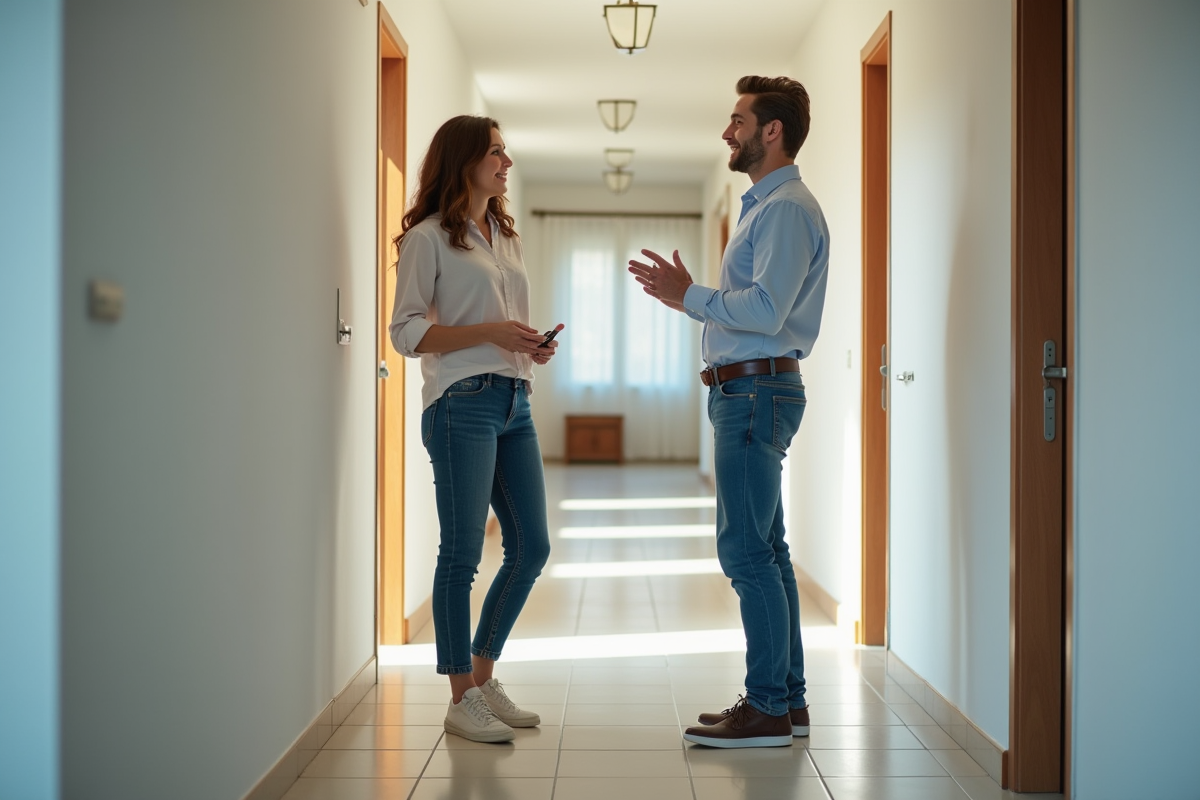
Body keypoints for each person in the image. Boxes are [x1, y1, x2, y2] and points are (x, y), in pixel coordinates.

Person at [628, 76, 829, 748]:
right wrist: (690, 299)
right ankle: (786, 702)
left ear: (771, 131)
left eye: (737, 119)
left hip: (754, 394)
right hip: (748, 390)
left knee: (746, 552)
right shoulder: (764, 208)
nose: (727, 131)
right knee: (767, 551)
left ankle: (768, 706)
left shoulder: (787, 210)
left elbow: (768, 313)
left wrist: (692, 296)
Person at [390, 115, 561, 744]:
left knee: (531, 546)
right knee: (461, 552)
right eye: (496, 152)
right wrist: (489, 334)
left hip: (516, 399)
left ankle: (482, 680)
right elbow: (406, 332)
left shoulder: (503, 236)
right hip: (461, 401)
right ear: (464, 160)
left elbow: (502, 319)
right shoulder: (429, 238)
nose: (506, 163)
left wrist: (527, 345)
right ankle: (460, 695)